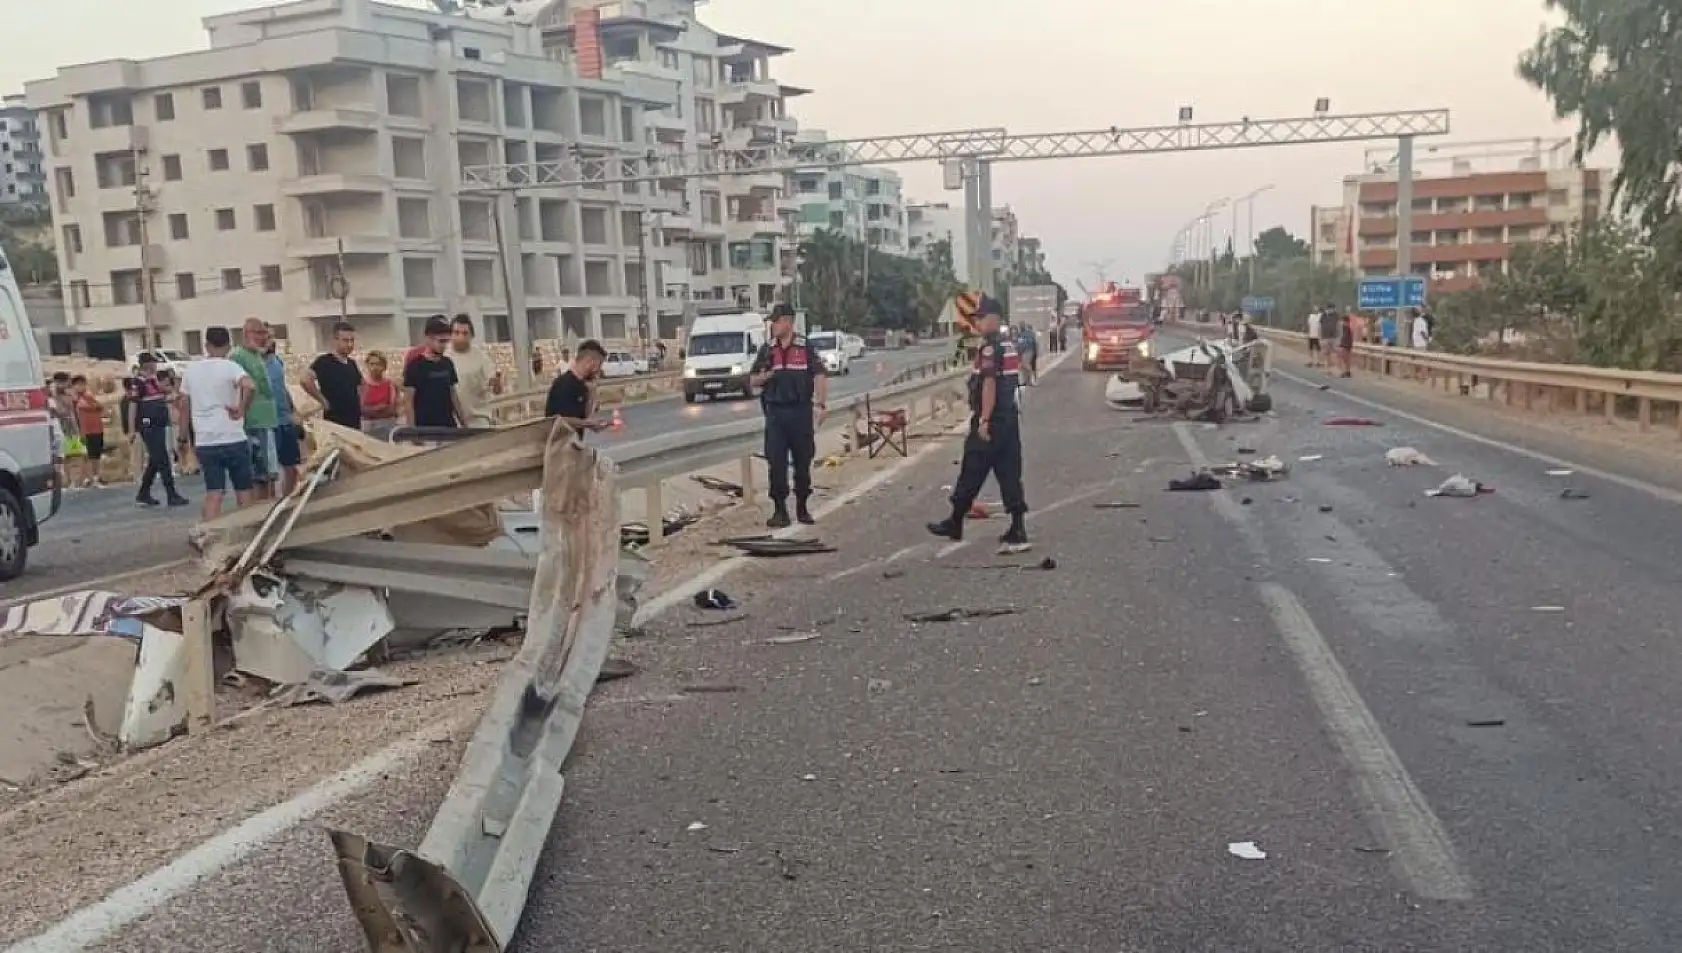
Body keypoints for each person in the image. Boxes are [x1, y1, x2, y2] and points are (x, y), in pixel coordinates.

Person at [926, 294, 1029, 551]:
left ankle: (955, 520)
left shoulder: (991, 348)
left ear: (994, 319)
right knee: (1009, 472)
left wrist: (983, 419)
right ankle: (1018, 526)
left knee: (972, 468)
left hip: (991, 419)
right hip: (1009, 419)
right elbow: (1018, 376)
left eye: (982, 318)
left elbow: (990, 384)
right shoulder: (1009, 345)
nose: (978, 323)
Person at [749, 303, 828, 528]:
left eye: (777, 321)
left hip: (800, 412)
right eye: (772, 322)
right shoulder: (767, 349)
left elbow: (820, 375)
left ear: (789, 322)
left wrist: (822, 405)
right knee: (776, 462)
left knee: (803, 461)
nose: (773, 326)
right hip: (775, 414)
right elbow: (752, 381)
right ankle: (780, 510)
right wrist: (767, 375)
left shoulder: (805, 347)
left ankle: (802, 507)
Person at [181, 325, 257, 520]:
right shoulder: (231, 366)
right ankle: (247, 534)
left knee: (214, 492)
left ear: (206, 345)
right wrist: (241, 409)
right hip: (232, 437)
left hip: (206, 440)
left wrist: (183, 436)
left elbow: (183, 404)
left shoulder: (191, 370)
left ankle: (209, 535)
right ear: (229, 345)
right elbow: (250, 385)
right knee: (243, 491)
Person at [126, 354, 189, 507]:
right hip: (148, 425)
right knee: (163, 459)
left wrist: (172, 398)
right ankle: (171, 494)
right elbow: (133, 406)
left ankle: (143, 493)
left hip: (159, 423)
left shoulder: (153, 381)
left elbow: (158, 398)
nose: (155, 366)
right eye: (154, 363)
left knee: (155, 460)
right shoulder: (138, 382)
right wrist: (131, 429)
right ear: (147, 364)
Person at [230, 318, 280, 500]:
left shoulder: (258, 355)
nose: (263, 338)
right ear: (246, 334)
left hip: (266, 421)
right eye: (258, 333)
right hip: (253, 422)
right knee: (257, 475)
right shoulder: (238, 356)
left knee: (269, 475)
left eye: (264, 334)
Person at [404, 315, 467, 429]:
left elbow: (453, 396)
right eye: (441, 341)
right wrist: (413, 432)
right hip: (425, 429)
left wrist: (464, 424)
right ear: (428, 338)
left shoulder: (448, 363)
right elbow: (409, 402)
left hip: (448, 426)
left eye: (446, 341)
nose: (444, 345)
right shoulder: (415, 366)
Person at [303, 321, 364, 432]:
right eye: (345, 340)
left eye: (352, 340)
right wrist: (323, 401)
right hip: (335, 422)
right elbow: (305, 380)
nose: (350, 344)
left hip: (354, 422)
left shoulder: (351, 364)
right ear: (335, 340)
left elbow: (361, 385)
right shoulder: (324, 361)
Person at [544, 339, 610, 434]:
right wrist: (588, 424)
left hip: (573, 444)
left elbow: (585, 418)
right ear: (590, 362)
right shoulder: (564, 384)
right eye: (599, 365)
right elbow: (561, 420)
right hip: (558, 444)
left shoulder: (582, 386)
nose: (599, 370)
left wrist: (592, 391)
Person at [263, 337, 302, 496]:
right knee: (268, 472)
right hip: (267, 422)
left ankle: (288, 498)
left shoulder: (277, 360)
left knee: (292, 465)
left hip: (285, 419)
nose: (270, 341)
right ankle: (268, 506)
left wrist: (293, 410)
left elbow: (282, 386)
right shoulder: (253, 364)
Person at [448, 313, 501, 428]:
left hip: (479, 421)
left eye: (465, 333)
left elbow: (497, 390)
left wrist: (496, 382)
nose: (460, 337)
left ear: (471, 336)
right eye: (456, 333)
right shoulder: (444, 357)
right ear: (450, 335)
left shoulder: (481, 358)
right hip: (452, 423)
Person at [71, 376, 107, 488]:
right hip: (83, 430)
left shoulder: (89, 397)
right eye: (78, 384)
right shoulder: (73, 399)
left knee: (96, 455)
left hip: (96, 429)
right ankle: (84, 478)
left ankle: (96, 477)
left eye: (83, 384)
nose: (81, 387)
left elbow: (101, 407)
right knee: (84, 456)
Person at [360, 351, 399, 439]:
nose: (375, 367)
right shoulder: (362, 385)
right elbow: (360, 408)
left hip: (387, 425)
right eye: (372, 364)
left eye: (378, 364)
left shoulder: (391, 385)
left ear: (384, 366)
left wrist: (373, 410)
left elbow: (393, 409)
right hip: (367, 426)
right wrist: (376, 409)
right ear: (367, 365)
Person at [1336, 309, 1357, 378]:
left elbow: (1343, 337)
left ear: (1344, 321)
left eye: (1342, 321)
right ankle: (1347, 371)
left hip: (1345, 346)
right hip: (1347, 346)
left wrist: (1340, 344)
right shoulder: (1348, 328)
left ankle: (1344, 372)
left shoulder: (1345, 328)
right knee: (1347, 360)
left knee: (1344, 360)